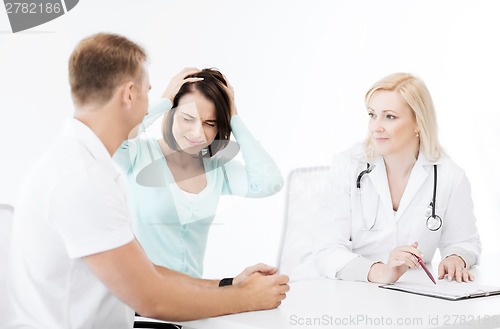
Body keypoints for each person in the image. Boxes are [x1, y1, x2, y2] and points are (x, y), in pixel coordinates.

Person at [5, 33, 289, 329]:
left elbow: (149, 273)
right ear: (129, 94)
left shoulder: (88, 167)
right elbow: (151, 298)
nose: (154, 102)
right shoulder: (80, 179)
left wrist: (230, 285)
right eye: (149, 92)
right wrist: (245, 299)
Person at [113, 67, 284, 278]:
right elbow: (112, 135)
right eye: (187, 118)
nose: (198, 133)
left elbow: (270, 183)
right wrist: (165, 99)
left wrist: (234, 118)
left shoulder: (216, 168)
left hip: (193, 302)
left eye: (210, 123)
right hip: (141, 305)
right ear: (171, 113)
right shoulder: (138, 154)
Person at [312, 72, 481, 284]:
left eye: (389, 116)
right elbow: (326, 249)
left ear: (418, 122)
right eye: (372, 115)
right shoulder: (347, 165)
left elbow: (465, 241)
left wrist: (456, 257)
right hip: (351, 289)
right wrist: (379, 272)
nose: (376, 126)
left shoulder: (449, 176)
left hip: (416, 294)